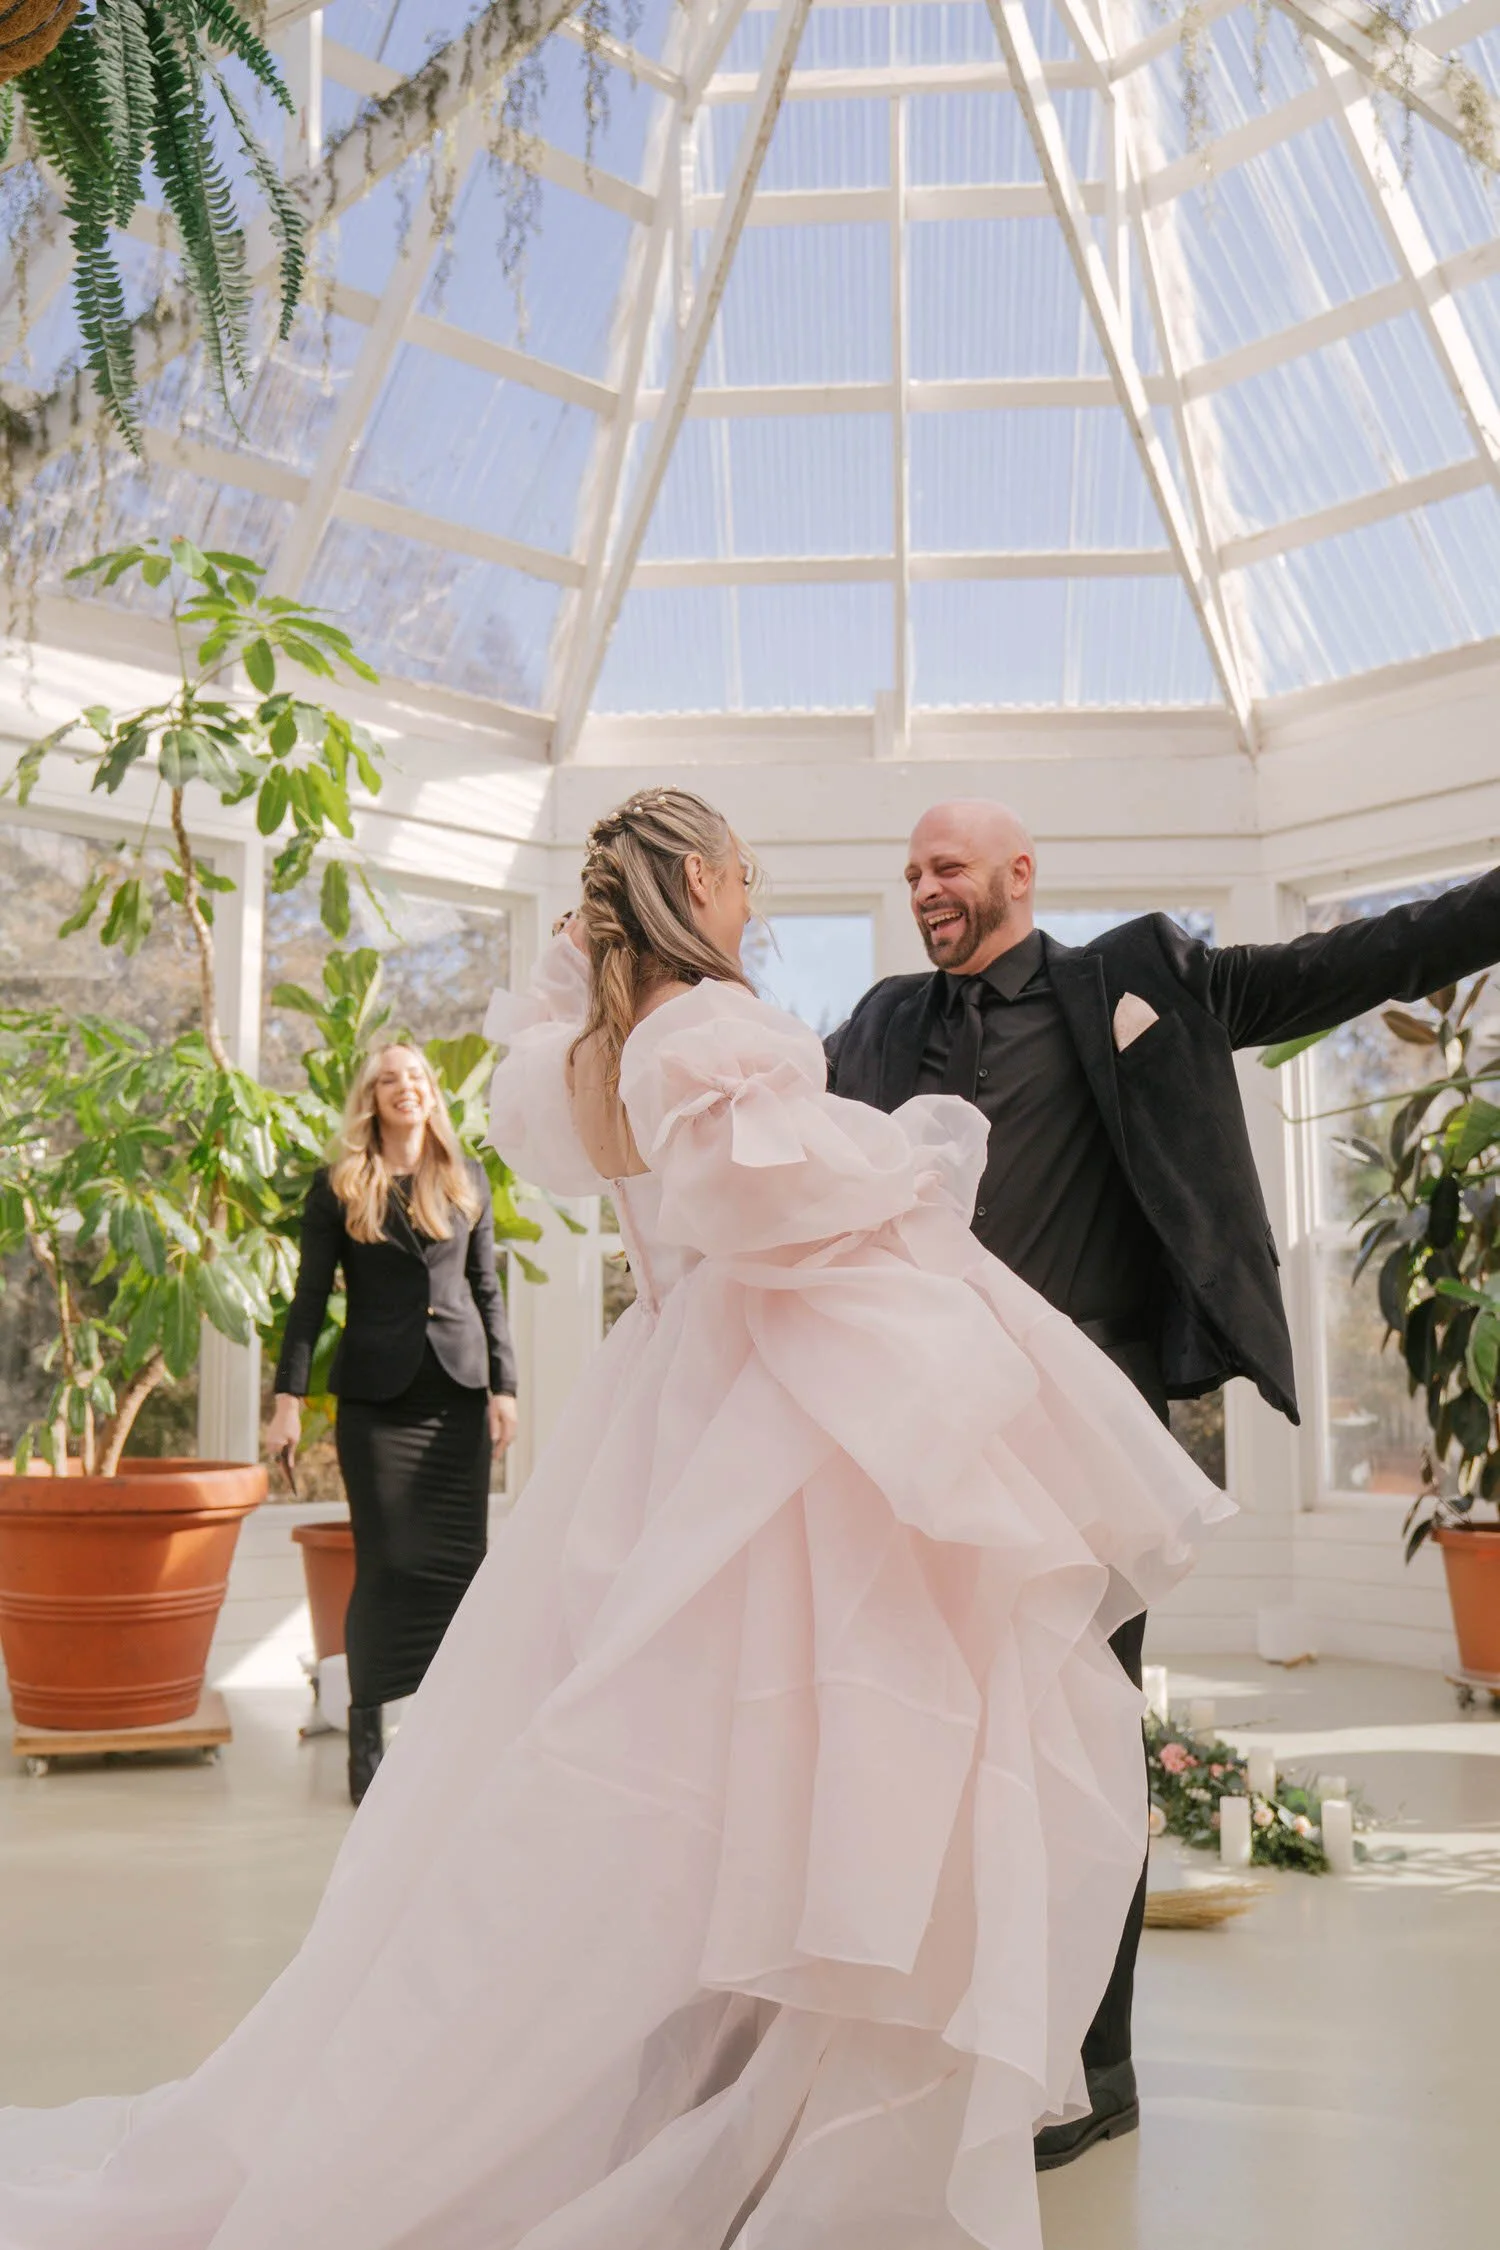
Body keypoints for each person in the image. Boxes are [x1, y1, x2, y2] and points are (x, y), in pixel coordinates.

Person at [0, 789, 1228, 2250]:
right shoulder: (703, 1028)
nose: (748, 913)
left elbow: (597, 1094)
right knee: (798, 1747)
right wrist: (912, 1155)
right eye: (742, 884)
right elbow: (766, 1194)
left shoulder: (582, 1052)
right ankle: (747, 2087)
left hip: (676, 1413)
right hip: (758, 1418)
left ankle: (688, 2062)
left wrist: (604, 954)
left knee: (676, 1753)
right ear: (701, 880)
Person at [825, 797, 1500, 2168]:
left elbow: (1354, 959)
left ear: (1022, 869)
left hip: (1087, 1442)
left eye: (945, 867)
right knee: (935, 1746)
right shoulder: (881, 1022)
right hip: (925, 1448)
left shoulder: (1142, 979)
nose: (924, 889)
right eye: (910, 873)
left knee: (1080, 1740)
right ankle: (960, 2037)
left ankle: (1098, 2063)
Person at [265, 1041, 518, 1804]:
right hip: (376, 1402)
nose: (403, 1089)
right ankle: (367, 1734)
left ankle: (457, 1740)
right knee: (385, 1566)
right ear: (370, 1098)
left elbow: (486, 1289)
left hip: (457, 1397)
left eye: (414, 1077)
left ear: (431, 1094)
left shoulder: (465, 1177)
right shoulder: (339, 1185)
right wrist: (286, 1401)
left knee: (459, 1570)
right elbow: (308, 1301)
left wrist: (505, 1386)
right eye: (387, 1080)